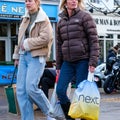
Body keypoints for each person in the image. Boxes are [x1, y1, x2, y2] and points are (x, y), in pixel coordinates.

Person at [56, 0, 99, 120]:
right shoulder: (61, 22)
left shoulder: (85, 17)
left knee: (82, 94)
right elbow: (59, 45)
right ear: (65, 2)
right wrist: (58, 66)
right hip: (67, 62)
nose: (74, 1)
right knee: (60, 91)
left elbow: (94, 40)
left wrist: (93, 61)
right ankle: (70, 117)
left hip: (83, 61)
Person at [12, 0, 53, 119]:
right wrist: (17, 56)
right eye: (25, 1)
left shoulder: (43, 19)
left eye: (30, 1)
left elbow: (46, 38)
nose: (27, 3)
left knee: (31, 88)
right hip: (23, 56)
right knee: (21, 91)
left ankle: (50, 112)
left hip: (37, 56)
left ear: (37, 2)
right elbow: (20, 39)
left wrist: (28, 43)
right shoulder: (25, 18)